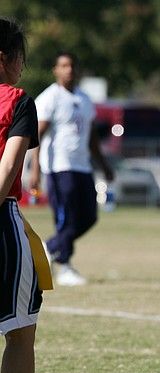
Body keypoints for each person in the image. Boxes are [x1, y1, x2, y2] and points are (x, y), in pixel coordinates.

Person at [0, 17, 72, 373]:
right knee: (19, 332)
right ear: (5, 58)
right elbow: (8, 172)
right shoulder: (17, 101)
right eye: (22, 59)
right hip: (0, 223)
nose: (24, 69)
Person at [29, 51, 114, 286]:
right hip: (59, 166)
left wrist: (104, 165)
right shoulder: (51, 97)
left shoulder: (85, 99)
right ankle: (64, 266)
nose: (69, 70)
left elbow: (92, 138)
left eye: (72, 65)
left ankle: (49, 247)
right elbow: (37, 136)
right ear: (56, 70)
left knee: (88, 216)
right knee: (66, 218)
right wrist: (35, 169)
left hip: (82, 166)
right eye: (64, 66)